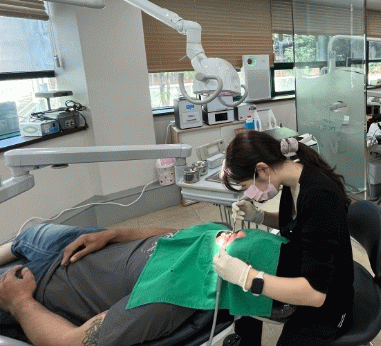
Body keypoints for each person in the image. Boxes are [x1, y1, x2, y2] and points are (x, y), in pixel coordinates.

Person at [0, 222, 287, 346]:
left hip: (44, 281)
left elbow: (70, 342)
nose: (236, 234)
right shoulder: (220, 236)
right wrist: (117, 234)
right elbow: (179, 233)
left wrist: (20, 302)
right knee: (24, 238)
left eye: (243, 246)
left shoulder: (165, 300)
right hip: (81, 242)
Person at [218, 131, 354, 346]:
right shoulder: (294, 181)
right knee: (243, 292)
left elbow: (315, 293)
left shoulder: (319, 196)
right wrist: (259, 216)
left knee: (246, 283)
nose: (249, 194)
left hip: (327, 301)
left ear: (262, 169)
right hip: (306, 265)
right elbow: (299, 224)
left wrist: (247, 277)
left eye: (246, 186)